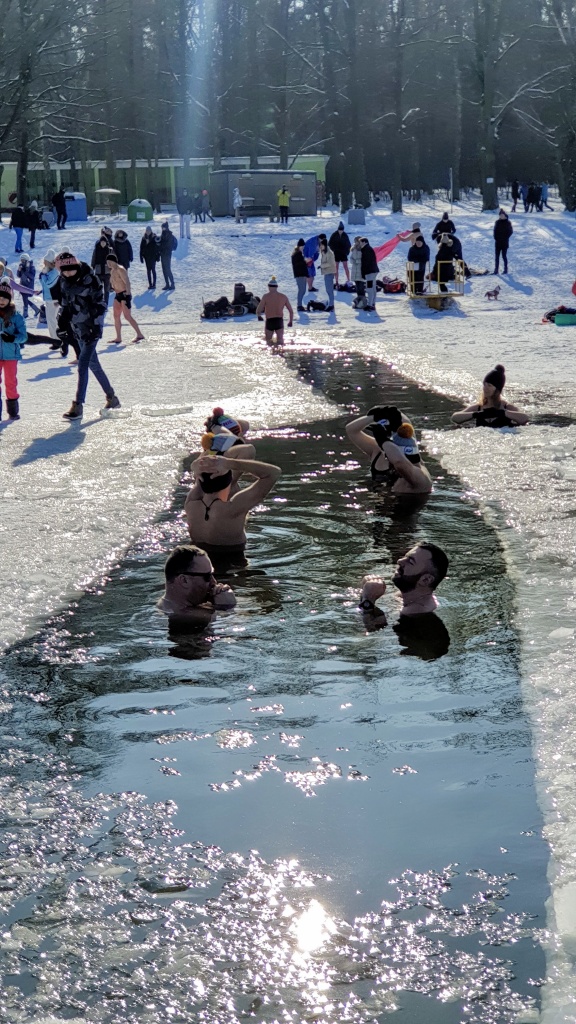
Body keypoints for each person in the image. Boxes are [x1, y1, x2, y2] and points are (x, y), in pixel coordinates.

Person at [57, 251, 120, 420]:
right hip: (77, 329)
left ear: (77, 266)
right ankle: (112, 398)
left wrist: (96, 327)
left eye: (71, 269)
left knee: (82, 364)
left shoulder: (91, 280)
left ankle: (78, 405)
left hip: (91, 329)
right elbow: (65, 306)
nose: (68, 272)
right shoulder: (64, 282)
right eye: (65, 270)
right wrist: (62, 323)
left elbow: (100, 305)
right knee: (94, 365)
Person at [184, 453, 281, 563]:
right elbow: (273, 473)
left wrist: (195, 466)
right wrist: (229, 463)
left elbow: (201, 479)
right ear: (229, 481)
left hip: (198, 562)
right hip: (233, 563)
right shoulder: (233, 508)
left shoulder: (191, 503)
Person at [346, 405, 432, 494]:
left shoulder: (420, 476)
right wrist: (374, 417)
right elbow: (351, 430)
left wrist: (383, 441)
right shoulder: (378, 450)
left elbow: (399, 462)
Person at [358, 542, 449, 620]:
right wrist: (366, 591)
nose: (399, 561)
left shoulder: (415, 615)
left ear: (425, 580)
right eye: (405, 556)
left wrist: (368, 599)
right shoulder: (408, 596)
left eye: (410, 561)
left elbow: (373, 630)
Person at [158, 544, 236, 628]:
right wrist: (227, 607)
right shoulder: (183, 617)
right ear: (184, 580)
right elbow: (235, 625)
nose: (214, 582)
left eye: (212, 575)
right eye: (207, 576)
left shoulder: (172, 606)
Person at [451, 364, 529, 428]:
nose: (485, 388)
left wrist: (502, 413)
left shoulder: (507, 407)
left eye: (489, 385)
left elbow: (524, 419)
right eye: (484, 385)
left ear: (497, 389)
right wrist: (476, 414)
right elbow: (455, 417)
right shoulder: (478, 407)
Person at [0, 278, 26, 421]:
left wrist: (12, 338)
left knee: (10, 382)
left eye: (5, 298)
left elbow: (23, 336)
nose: (1, 300)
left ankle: (12, 410)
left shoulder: (16, 316)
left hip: (11, 356)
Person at [106, 253, 144, 344]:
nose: (108, 264)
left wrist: (127, 295)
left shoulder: (120, 269)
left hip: (124, 294)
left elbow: (127, 282)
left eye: (109, 262)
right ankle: (118, 337)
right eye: (107, 262)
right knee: (116, 316)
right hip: (117, 294)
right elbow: (113, 281)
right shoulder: (112, 271)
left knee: (127, 316)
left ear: (113, 261)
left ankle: (139, 334)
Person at [255, 276, 293, 345]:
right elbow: (291, 311)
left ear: (269, 287)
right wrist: (290, 321)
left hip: (269, 321)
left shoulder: (266, 296)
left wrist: (259, 316)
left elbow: (258, 310)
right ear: (277, 287)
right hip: (279, 321)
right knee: (280, 341)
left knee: (268, 341)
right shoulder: (283, 297)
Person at [38, 249, 60, 343]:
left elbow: (48, 284)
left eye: (45, 262)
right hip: (49, 298)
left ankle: (57, 339)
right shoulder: (48, 272)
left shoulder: (54, 272)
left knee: (52, 320)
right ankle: (54, 339)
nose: (44, 263)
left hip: (53, 299)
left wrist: (42, 276)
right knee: (50, 320)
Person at [16, 255, 41, 319]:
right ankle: (36, 309)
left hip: (28, 285)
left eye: (23, 260)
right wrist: (19, 270)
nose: (22, 262)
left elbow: (32, 276)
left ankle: (26, 313)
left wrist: (25, 271)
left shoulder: (31, 267)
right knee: (25, 299)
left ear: (27, 260)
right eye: (21, 260)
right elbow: (18, 275)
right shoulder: (21, 266)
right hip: (22, 285)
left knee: (25, 298)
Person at [91, 234, 113, 304]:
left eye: (104, 242)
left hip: (107, 273)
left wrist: (113, 268)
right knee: (99, 289)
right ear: (100, 242)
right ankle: (99, 302)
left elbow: (113, 260)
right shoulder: (96, 249)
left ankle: (106, 303)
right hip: (98, 272)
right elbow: (93, 259)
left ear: (106, 242)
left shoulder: (109, 250)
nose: (103, 243)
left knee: (107, 289)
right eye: (102, 242)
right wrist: (92, 267)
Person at [360, 237, 379, 311]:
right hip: (373, 271)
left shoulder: (366, 250)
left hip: (369, 273)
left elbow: (365, 263)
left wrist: (364, 273)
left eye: (361, 242)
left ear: (364, 242)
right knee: (373, 288)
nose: (360, 244)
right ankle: (373, 303)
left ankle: (370, 305)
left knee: (370, 289)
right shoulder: (369, 249)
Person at [493, 209, 513, 274]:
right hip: (498, 242)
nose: (501, 216)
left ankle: (505, 269)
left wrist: (505, 238)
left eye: (502, 215)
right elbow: (495, 231)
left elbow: (510, 232)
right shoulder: (497, 222)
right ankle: (496, 270)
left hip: (504, 243)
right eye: (500, 215)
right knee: (497, 257)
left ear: (505, 215)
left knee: (504, 256)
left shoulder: (508, 223)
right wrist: (496, 238)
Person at [319, 236, 336, 311]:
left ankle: (331, 304)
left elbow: (330, 263)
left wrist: (321, 266)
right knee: (328, 289)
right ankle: (331, 303)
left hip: (329, 272)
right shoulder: (324, 252)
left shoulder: (329, 253)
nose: (320, 247)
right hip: (326, 272)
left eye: (321, 245)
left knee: (330, 289)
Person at [292, 238, 308, 311]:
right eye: (302, 247)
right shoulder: (297, 254)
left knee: (302, 290)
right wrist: (305, 262)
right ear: (299, 246)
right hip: (300, 274)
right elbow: (297, 265)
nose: (303, 248)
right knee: (302, 290)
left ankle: (300, 304)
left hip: (301, 274)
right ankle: (299, 305)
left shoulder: (298, 254)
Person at [159, 221, 176, 290]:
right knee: (164, 270)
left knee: (168, 269)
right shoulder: (162, 235)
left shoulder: (169, 235)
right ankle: (167, 284)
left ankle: (172, 284)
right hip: (163, 254)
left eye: (164, 228)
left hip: (167, 255)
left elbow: (168, 246)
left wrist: (161, 245)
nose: (163, 229)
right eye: (162, 228)